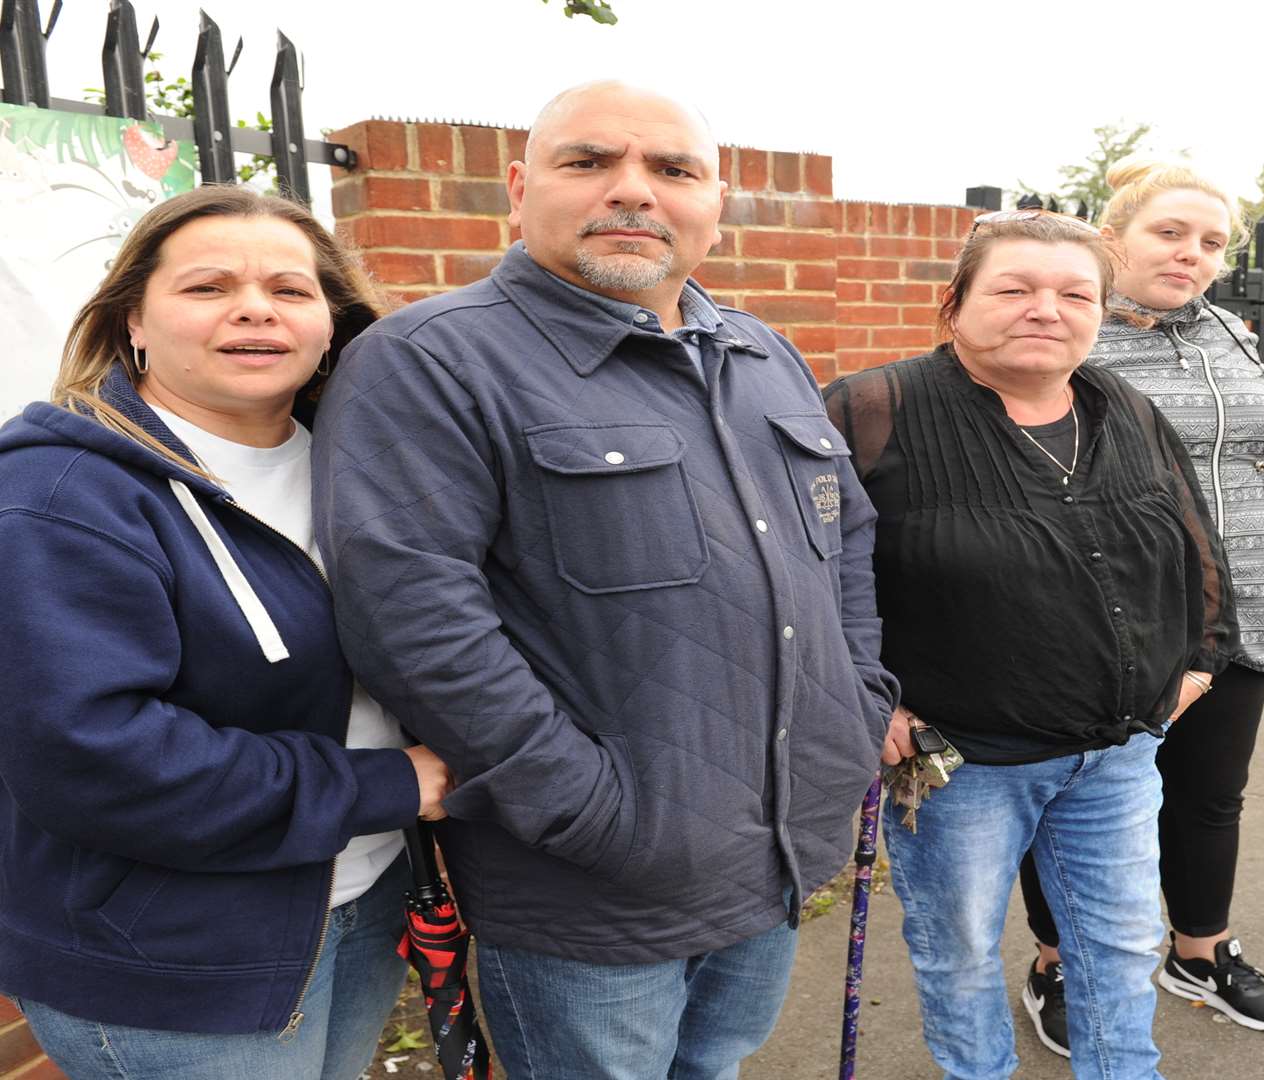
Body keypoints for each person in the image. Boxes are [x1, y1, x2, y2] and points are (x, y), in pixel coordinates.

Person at [310, 81, 898, 1080]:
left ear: (715, 202)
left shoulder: (763, 354)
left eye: (673, 170)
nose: (634, 192)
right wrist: (586, 811)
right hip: (592, 886)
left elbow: (844, 545)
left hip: (775, 854)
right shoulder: (430, 362)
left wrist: (857, 706)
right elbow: (412, 619)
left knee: (714, 1064)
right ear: (519, 188)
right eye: (588, 163)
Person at [0, 185, 453, 1080]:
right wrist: (383, 785)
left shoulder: (360, 468)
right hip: (174, 956)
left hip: (359, 903)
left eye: (290, 289)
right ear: (133, 320)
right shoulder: (62, 498)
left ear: (331, 323)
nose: (254, 307)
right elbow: (96, 760)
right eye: (207, 287)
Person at [822, 208, 1234, 1080]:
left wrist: (1199, 660)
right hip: (960, 761)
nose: (1045, 308)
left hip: (1116, 753)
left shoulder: (1126, 407)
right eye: (1014, 288)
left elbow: (1195, 542)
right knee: (961, 948)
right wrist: (864, 693)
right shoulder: (867, 411)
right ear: (956, 303)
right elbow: (799, 575)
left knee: (1120, 943)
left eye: (1073, 292)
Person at [1013, 159, 1264, 1050]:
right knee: (1080, 801)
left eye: (1211, 243)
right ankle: (1055, 962)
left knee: (1212, 796)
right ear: (1114, 239)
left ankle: (1199, 952)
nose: (1192, 255)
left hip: (1249, 603)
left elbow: (1247, 464)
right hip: (1121, 615)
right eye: (1170, 234)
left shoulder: (1228, 331)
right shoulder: (1074, 335)